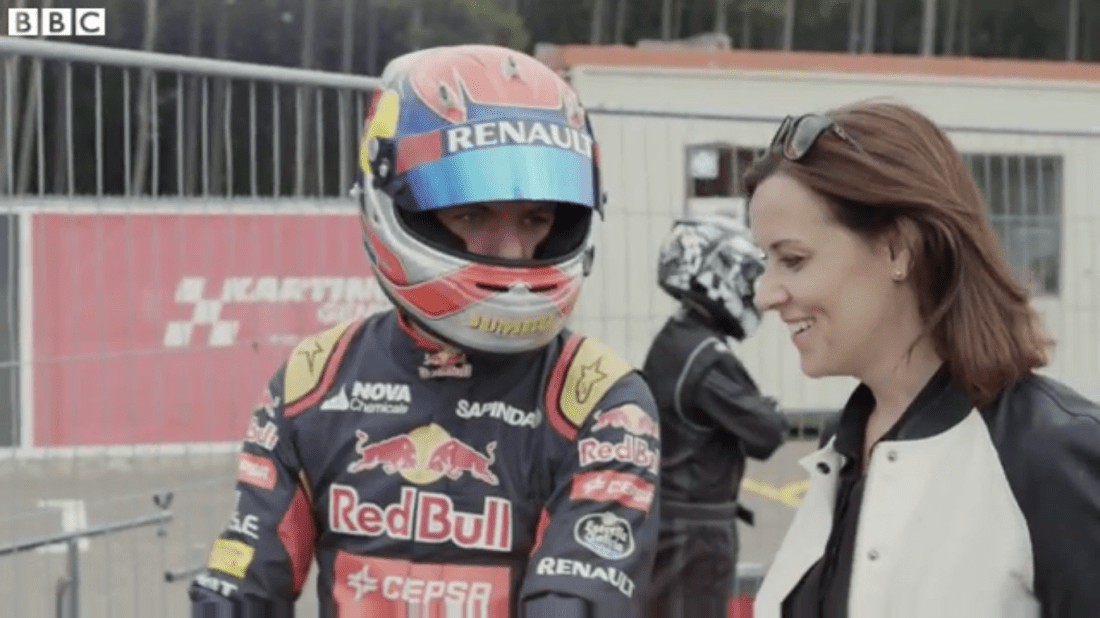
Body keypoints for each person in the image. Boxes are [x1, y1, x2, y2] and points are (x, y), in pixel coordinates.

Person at [189, 44, 661, 618]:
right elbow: (245, 581)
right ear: (392, 206)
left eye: (536, 219)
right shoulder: (314, 379)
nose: (512, 250)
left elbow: (578, 602)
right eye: (472, 215)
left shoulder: (599, 397)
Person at [743, 102, 1100, 617]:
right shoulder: (841, 451)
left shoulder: (1049, 454)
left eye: (793, 260)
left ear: (898, 249)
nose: (765, 294)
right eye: (765, 261)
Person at [639, 215, 788, 618]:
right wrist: (765, 410)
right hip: (695, 532)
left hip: (673, 521)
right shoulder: (706, 359)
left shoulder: (677, 338)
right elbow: (767, 434)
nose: (749, 288)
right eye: (742, 276)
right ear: (713, 275)